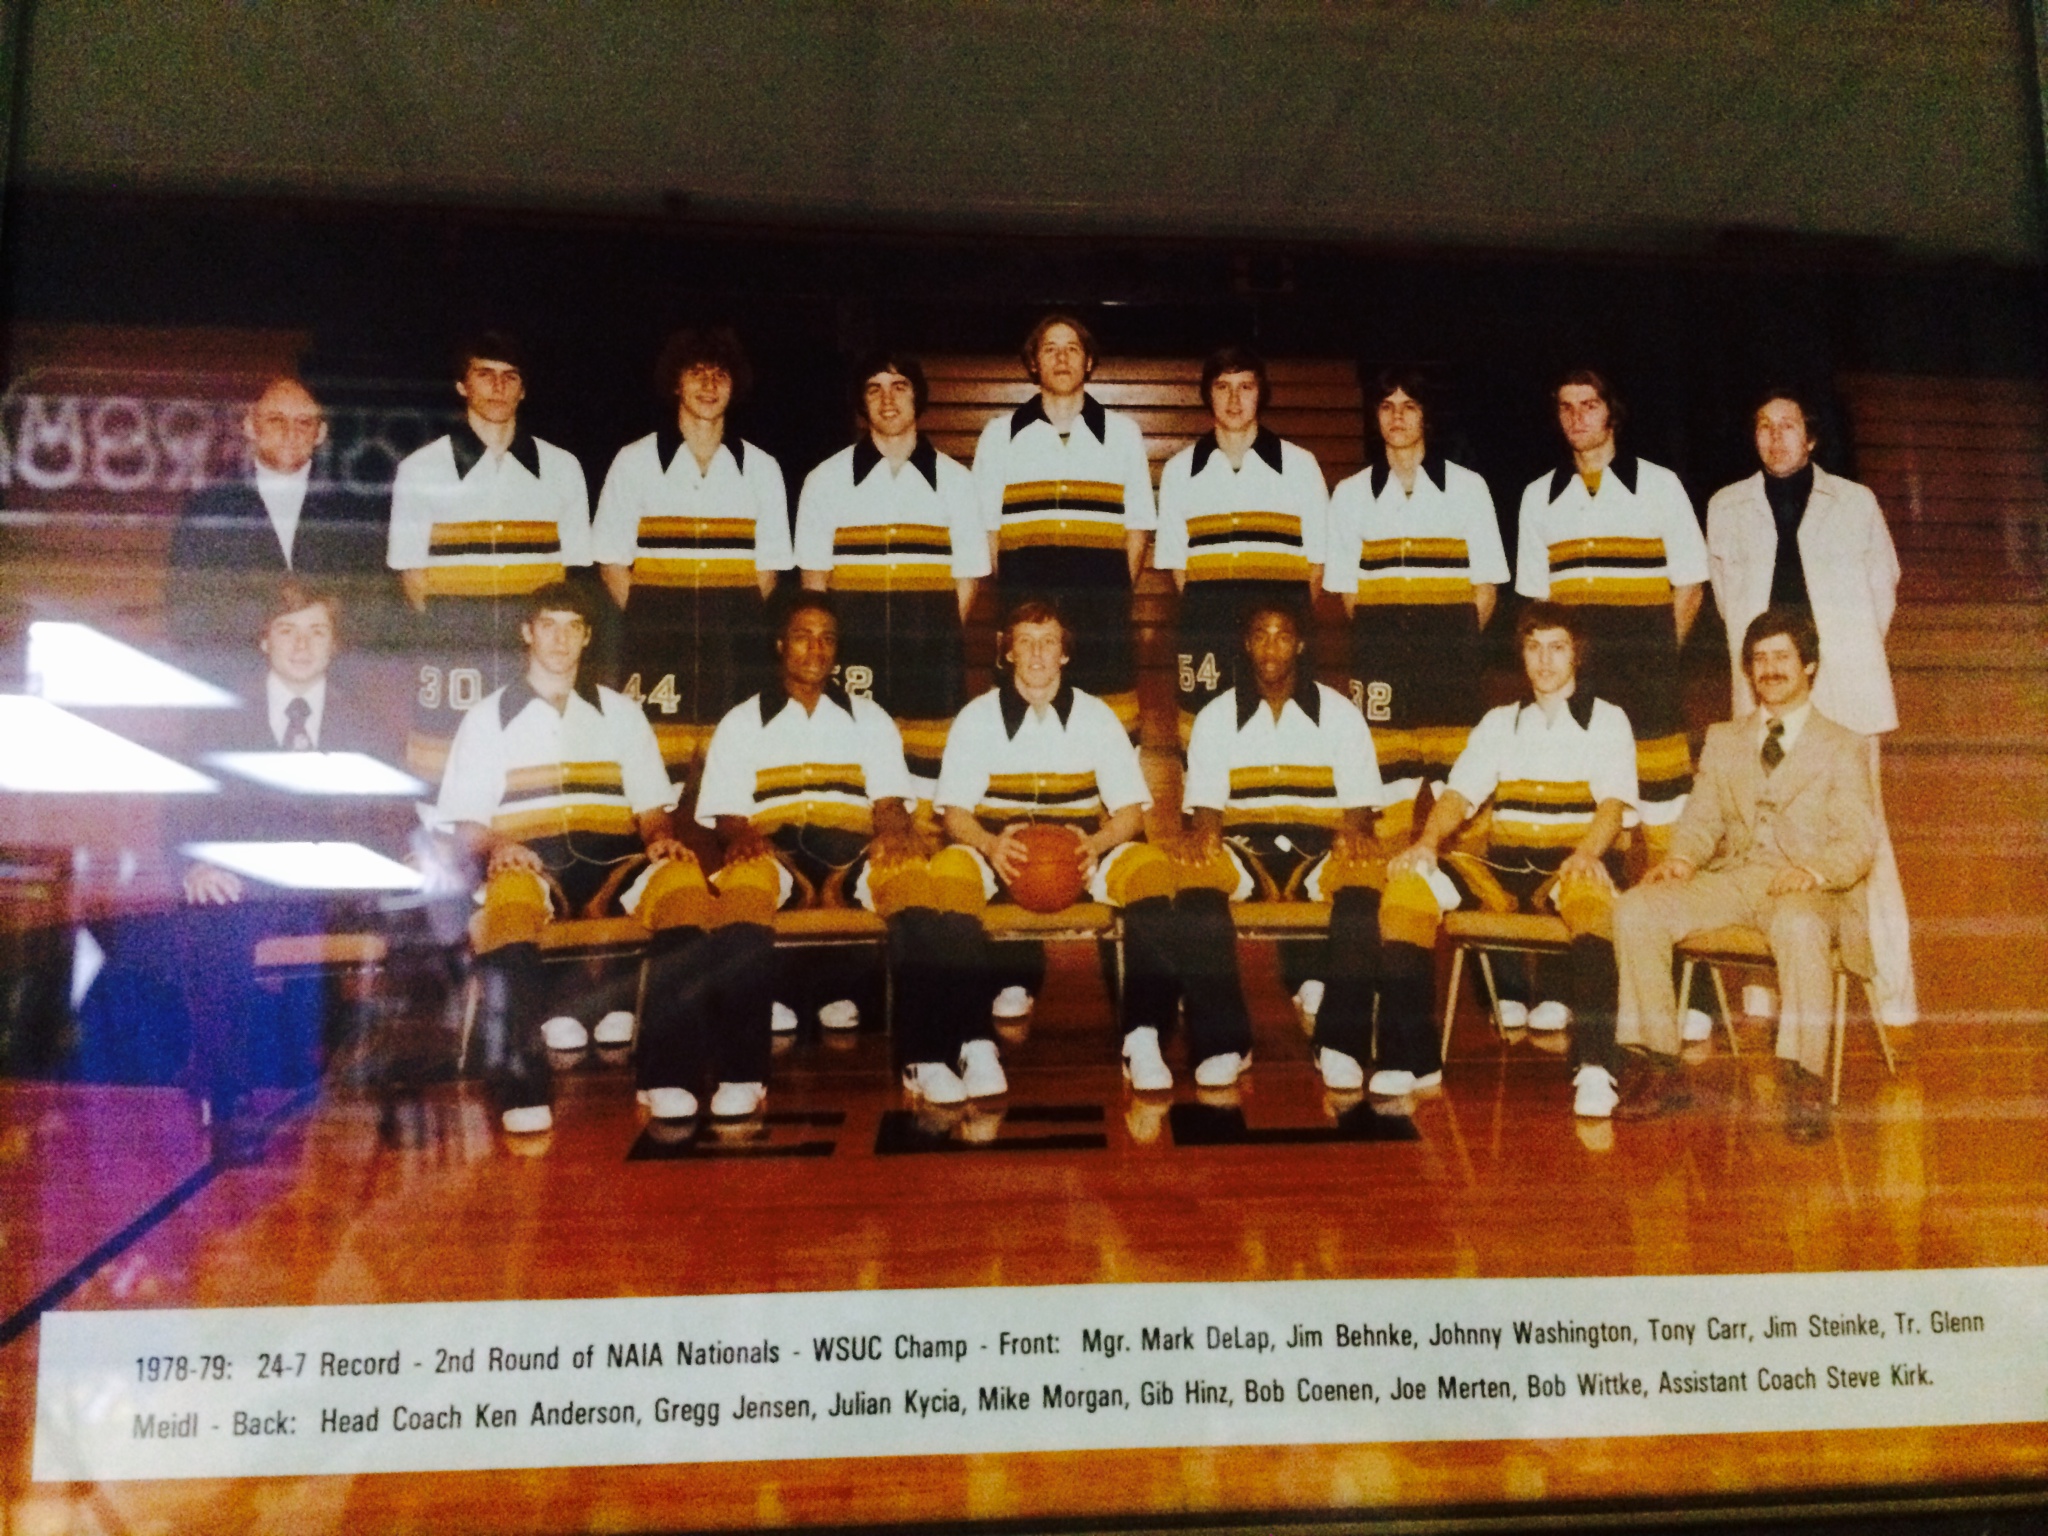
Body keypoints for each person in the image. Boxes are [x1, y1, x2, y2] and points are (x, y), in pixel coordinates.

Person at [433, 582, 762, 1137]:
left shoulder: (621, 714)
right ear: (527, 632)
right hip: (529, 861)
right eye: (548, 625)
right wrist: (498, 847)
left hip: (614, 863)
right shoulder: (487, 718)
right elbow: (469, 827)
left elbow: (651, 813)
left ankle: (669, 1077)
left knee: (685, 887)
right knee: (507, 907)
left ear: (587, 637)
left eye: (573, 627)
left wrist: (659, 838)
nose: (560, 639)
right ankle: (524, 1088)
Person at [695, 592, 1004, 1103]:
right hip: (774, 850)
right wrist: (740, 834)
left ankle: (924, 1059)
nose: (815, 649)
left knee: (912, 882)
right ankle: (741, 1075)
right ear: (780, 645)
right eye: (802, 637)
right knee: (741, 895)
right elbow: (728, 815)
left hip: (850, 847)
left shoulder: (869, 718)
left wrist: (894, 831)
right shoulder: (741, 721)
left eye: (827, 639)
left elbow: (889, 804)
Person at [1612, 608, 1879, 1142]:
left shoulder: (1842, 744)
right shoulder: (1725, 738)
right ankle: (1660, 1064)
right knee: (1637, 907)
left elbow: (1858, 842)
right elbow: (1701, 819)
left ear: (1809, 665)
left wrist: (1813, 871)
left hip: (1810, 889)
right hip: (1734, 878)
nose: (1770, 669)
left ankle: (1804, 1079)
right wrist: (1682, 858)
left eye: (1782, 657)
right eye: (1759, 659)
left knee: (1799, 925)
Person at [172, 579, 410, 1159]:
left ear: (334, 644)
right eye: (287, 630)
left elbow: (393, 818)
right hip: (249, 883)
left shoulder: (367, 724)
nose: (302, 645)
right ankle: (229, 1096)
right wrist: (197, 864)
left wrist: (392, 861)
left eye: (316, 631)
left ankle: (395, 1087)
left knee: (417, 917)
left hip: (340, 887)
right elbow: (180, 812)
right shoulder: (221, 720)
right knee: (214, 920)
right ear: (264, 641)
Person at [1705, 387, 1915, 1026]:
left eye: (1788, 425)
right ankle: (1765, 991)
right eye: (1763, 425)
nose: (1775, 437)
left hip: (1842, 694)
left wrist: (1838, 666)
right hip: (1765, 692)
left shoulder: (1856, 503)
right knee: (1757, 837)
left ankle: (1890, 993)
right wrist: (1774, 677)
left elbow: (1882, 590)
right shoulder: (1726, 506)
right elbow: (1728, 601)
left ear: (1813, 436)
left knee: (1864, 841)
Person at [1382, 603, 1638, 1115]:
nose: (1544, 660)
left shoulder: (1608, 719)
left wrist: (1587, 853)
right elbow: (1459, 795)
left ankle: (1595, 1068)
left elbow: (1612, 806)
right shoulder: (1499, 722)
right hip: (1502, 871)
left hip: (1570, 864)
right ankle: (1413, 1055)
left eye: (1557, 648)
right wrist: (1427, 841)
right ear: (1521, 655)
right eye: (1533, 647)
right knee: (1408, 886)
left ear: (1577, 654)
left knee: (1594, 907)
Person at [933, 601, 1189, 1088]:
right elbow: (954, 814)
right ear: (1007, 652)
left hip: (1080, 848)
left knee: (1152, 870)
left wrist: (1097, 843)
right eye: (1025, 641)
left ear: (1064, 654)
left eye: (1048, 642)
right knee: (947, 874)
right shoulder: (976, 717)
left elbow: (1131, 812)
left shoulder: (1097, 716)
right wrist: (989, 845)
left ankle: (1142, 1036)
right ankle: (975, 1044)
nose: (1036, 653)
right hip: (1001, 850)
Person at [1179, 599, 1387, 1090]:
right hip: (1243, 848)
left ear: (1300, 645)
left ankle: (1340, 1043)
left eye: (1282, 636)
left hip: (1320, 849)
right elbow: (1205, 814)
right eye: (1260, 635)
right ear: (1247, 644)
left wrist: (1354, 838)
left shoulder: (1340, 715)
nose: (1271, 647)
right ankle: (1225, 1042)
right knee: (1194, 883)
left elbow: (1358, 813)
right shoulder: (1214, 716)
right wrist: (1203, 840)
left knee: (1364, 884)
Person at [386, 331, 593, 782]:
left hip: (535, 661)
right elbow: (413, 579)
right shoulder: (420, 469)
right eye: (485, 374)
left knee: (533, 781)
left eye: (510, 376)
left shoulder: (562, 469)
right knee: (450, 781)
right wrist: (460, 631)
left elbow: (572, 579)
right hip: (457, 656)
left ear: (524, 389)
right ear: (463, 385)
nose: (498, 386)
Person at [591, 327, 792, 785]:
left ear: (734, 386)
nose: (708, 384)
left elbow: (768, 571)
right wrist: (657, 620)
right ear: (676, 384)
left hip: (734, 655)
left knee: (734, 783)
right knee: (655, 782)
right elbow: (611, 564)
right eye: (696, 373)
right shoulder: (634, 461)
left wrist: (728, 621)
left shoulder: (761, 469)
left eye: (720, 374)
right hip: (654, 653)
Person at [1515, 370, 1707, 842]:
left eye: (1589, 405)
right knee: (1594, 817)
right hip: (1578, 688)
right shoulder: (1539, 496)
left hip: (1648, 683)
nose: (1577, 417)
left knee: (1663, 816)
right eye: (1566, 407)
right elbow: (1540, 605)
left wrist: (1659, 655)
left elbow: (1690, 587)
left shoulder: (1660, 485)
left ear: (1612, 413)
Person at [1323, 366, 1509, 842]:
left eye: (1409, 406)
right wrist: (1387, 642)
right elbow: (1349, 595)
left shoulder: (1468, 488)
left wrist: (1450, 646)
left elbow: (1486, 590)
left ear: (1426, 415)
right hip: (1380, 669)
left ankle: (1467, 881)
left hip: (1451, 671)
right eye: (1387, 406)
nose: (1397, 417)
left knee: (1463, 801)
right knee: (1387, 807)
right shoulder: (1350, 494)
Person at [796, 352, 985, 798]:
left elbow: (968, 579)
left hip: (932, 663)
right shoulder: (825, 480)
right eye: (874, 388)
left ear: (918, 398)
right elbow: (814, 581)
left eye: (899, 386)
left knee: (930, 785)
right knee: (852, 782)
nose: (887, 399)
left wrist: (934, 639)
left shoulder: (956, 481)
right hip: (853, 658)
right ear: (861, 403)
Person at [971, 312, 1156, 739]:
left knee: (1109, 731)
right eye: (1050, 349)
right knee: (1023, 731)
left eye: (1072, 349)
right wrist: (1018, 592)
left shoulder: (1122, 434)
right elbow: (988, 530)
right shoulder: (1000, 435)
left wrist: (1108, 591)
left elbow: (1138, 529)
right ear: (1033, 362)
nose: (1061, 358)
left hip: (1101, 611)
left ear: (1088, 362)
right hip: (1025, 609)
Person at [1154, 345, 1329, 747]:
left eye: (1245, 386)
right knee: (1204, 750)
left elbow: (1316, 568)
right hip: (1206, 636)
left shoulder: (1300, 466)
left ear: (1260, 393)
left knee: (1281, 749)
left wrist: (1279, 630)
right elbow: (1179, 569)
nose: (1234, 399)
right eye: (1223, 386)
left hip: (1276, 639)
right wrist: (1215, 614)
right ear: (1208, 393)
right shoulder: (1180, 470)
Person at [166, 376, 387, 683]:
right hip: (235, 683)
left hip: (336, 690)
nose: (289, 433)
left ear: (321, 432)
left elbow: (378, 607)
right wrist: (271, 612)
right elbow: (185, 611)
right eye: (275, 420)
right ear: (250, 426)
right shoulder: (210, 508)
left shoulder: (355, 510)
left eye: (303, 423)